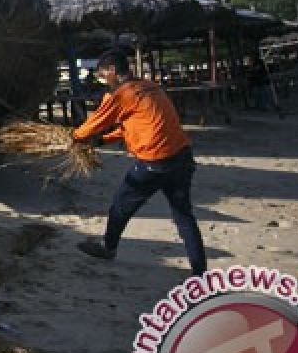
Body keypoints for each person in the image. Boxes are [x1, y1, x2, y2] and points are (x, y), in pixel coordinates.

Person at [72, 50, 208, 276]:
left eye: (103, 74)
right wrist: (104, 140)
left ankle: (108, 247)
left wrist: (74, 138)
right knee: (184, 216)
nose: (103, 79)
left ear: (113, 71)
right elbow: (138, 126)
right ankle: (199, 272)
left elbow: (95, 122)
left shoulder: (124, 93)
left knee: (120, 207)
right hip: (182, 157)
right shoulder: (150, 87)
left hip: (154, 162)